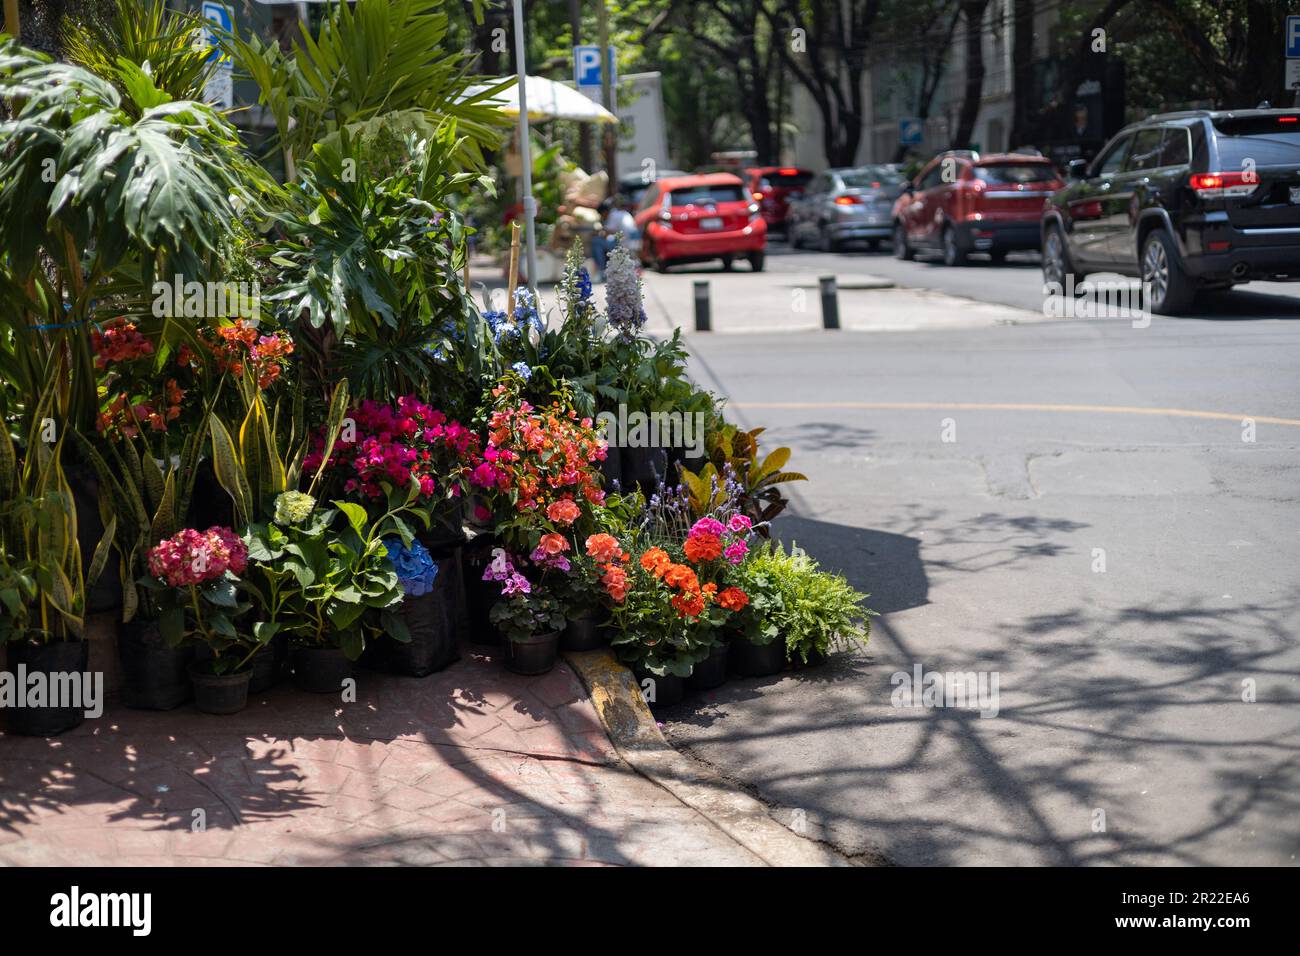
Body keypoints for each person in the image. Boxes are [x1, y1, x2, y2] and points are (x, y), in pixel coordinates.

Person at [592, 195, 639, 279]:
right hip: (633, 242)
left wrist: (595, 233)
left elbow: (606, 233)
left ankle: (601, 270)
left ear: (604, 212)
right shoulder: (620, 213)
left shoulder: (612, 215)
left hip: (624, 244)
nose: (602, 217)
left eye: (601, 214)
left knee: (596, 241)